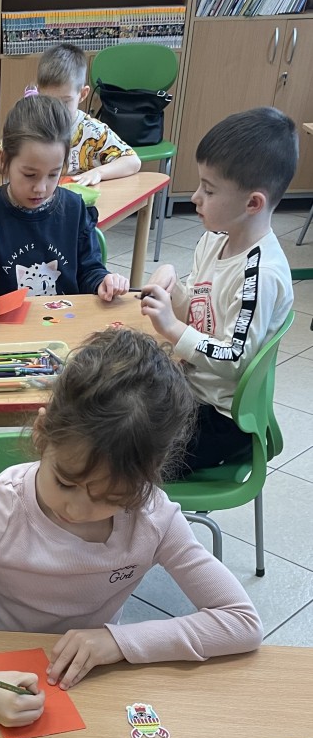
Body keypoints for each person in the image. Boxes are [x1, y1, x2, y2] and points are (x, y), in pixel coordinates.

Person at [0, 328, 263, 726]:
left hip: (99, 673)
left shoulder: (152, 517)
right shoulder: (1, 507)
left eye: (111, 497)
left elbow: (241, 622)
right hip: (5, 659)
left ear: (149, 476)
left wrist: (118, 641)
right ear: (42, 434)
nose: (76, 509)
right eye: (64, 482)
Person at [141, 107, 297, 473]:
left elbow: (234, 360)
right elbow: (201, 312)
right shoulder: (214, 240)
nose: (195, 197)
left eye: (209, 190)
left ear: (253, 203)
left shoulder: (260, 275)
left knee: (123, 460)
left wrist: (172, 328)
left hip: (222, 418)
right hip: (190, 391)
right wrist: (173, 289)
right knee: (110, 412)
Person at [0, 96, 129, 337]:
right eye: (29, 175)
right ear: (4, 162)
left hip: (66, 329)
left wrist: (104, 281)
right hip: (3, 332)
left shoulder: (74, 208)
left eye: (53, 175)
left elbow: (89, 270)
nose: (40, 188)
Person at [0, 43, 141, 184]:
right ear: (38, 93)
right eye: (48, 100)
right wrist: (19, 162)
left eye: (65, 102)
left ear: (83, 94)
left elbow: (133, 161)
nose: (56, 109)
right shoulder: (30, 125)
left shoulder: (93, 131)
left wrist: (99, 172)